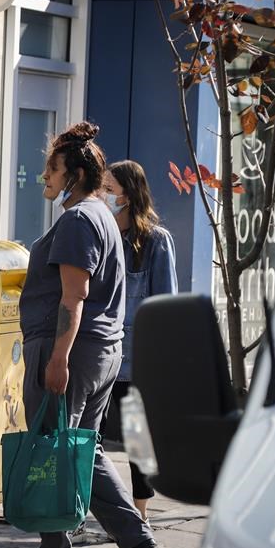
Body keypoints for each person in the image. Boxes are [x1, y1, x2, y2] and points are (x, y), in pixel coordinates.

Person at [3, 122, 159, 548]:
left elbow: (74, 297)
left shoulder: (77, 220)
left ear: (73, 173)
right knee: (75, 449)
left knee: (67, 451)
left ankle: (134, 538)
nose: (44, 175)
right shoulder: (101, 216)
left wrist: (57, 360)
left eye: (51, 168)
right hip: (102, 350)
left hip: (72, 351)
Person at [102, 160, 178, 521]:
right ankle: (91, 511)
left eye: (109, 190)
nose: (104, 196)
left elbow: (165, 307)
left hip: (136, 363)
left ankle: (141, 514)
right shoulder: (103, 235)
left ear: (129, 195)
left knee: (137, 441)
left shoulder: (155, 241)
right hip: (100, 356)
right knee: (91, 438)